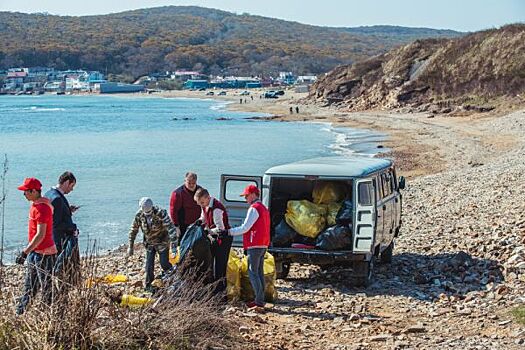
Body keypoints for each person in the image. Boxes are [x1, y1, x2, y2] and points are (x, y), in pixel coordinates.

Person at [212, 184, 269, 310]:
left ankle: (259, 301)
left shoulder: (254, 208)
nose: (245, 199)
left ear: (254, 195)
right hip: (263, 243)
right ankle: (260, 299)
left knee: (253, 272)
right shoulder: (263, 208)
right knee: (259, 272)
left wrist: (228, 232)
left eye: (247, 196)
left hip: (255, 243)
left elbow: (245, 228)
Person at [15, 178, 58, 315]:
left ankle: (48, 316)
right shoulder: (37, 205)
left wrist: (24, 252)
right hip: (36, 252)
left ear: (34, 191)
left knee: (46, 287)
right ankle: (21, 313)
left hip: (44, 254)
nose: (24, 195)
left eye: (26, 192)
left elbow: (40, 235)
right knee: (30, 286)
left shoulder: (42, 208)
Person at [128, 197, 177, 292]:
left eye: (149, 212)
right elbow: (133, 230)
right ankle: (149, 285)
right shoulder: (139, 215)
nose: (148, 214)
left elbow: (171, 229)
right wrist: (130, 246)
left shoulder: (161, 213)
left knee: (164, 264)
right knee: (149, 266)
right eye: (146, 212)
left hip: (162, 242)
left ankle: (173, 280)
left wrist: (174, 247)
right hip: (149, 243)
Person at [194, 188, 232, 295]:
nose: (201, 205)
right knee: (212, 264)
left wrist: (208, 231)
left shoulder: (217, 209)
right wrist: (200, 221)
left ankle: (221, 294)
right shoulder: (205, 205)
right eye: (199, 203)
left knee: (219, 266)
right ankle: (214, 291)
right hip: (215, 237)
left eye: (202, 202)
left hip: (223, 239)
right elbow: (204, 217)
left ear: (207, 197)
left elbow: (221, 228)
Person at [45, 171, 80, 285]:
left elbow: (54, 215)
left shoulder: (49, 194)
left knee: (53, 269)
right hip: (60, 240)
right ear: (66, 182)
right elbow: (57, 224)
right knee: (63, 269)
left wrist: (68, 210)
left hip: (50, 238)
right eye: (71, 186)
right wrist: (72, 228)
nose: (72, 189)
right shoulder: (57, 199)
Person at [169, 172, 202, 243]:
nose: (191, 185)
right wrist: (176, 226)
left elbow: (205, 205)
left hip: (197, 223)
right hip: (183, 225)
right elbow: (173, 211)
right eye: (189, 183)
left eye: (193, 183)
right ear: (185, 181)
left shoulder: (200, 191)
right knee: (182, 245)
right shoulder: (178, 194)